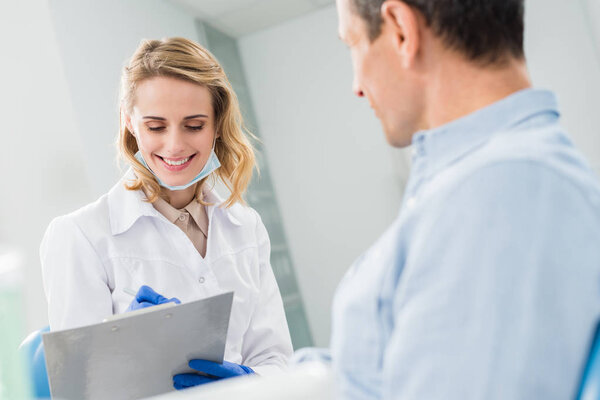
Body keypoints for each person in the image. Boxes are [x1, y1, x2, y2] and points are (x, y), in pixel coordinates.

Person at [331, 0, 600, 398]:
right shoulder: (484, 182)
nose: (356, 84)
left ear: (401, 30)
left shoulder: (500, 192)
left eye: (352, 44)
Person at [40, 37, 293, 388]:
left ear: (217, 123)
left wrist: (248, 382)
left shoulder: (246, 226)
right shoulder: (80, 236)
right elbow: (79, 392)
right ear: (129, 122)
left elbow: (275, 359)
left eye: (194, 125)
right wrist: (121, 356)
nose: (174, 145)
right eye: (155, 126)